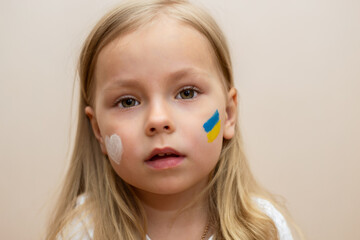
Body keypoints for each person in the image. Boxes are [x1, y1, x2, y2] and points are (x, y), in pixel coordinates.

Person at [46, 0, 301, 239]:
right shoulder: (82, 233)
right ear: (99, 131)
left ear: (228, 115)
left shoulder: (267, 230)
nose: (158, 120)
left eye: (186, 93)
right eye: (128, 101)